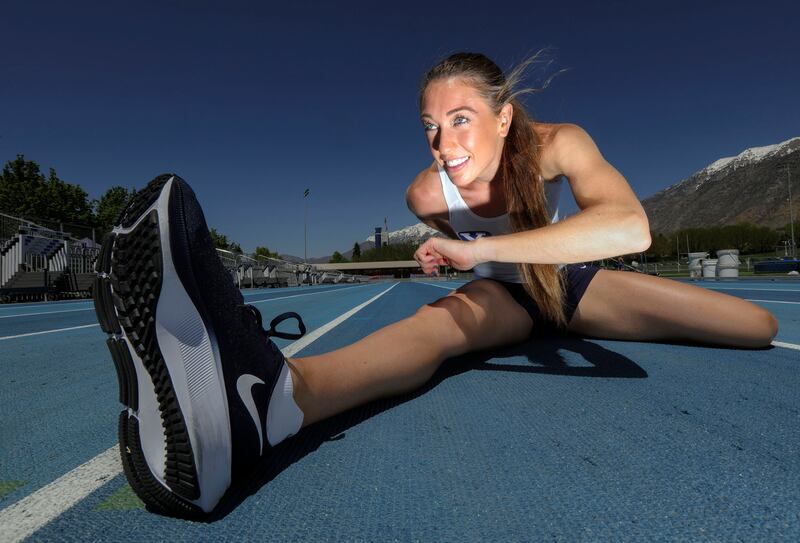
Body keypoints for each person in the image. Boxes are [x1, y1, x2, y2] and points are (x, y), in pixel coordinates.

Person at [93, 52, 778, 518]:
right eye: (429, 127)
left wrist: (476, 245)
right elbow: (466, 254)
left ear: (503, 117)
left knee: (756, 326)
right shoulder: (427, 193)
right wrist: (461, 259)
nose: (442, 142)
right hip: (501, 298)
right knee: (436, 330)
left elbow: (630, 229)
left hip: (571, 284)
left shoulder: (559, 143)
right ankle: (270, 404)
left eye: (459, 120)